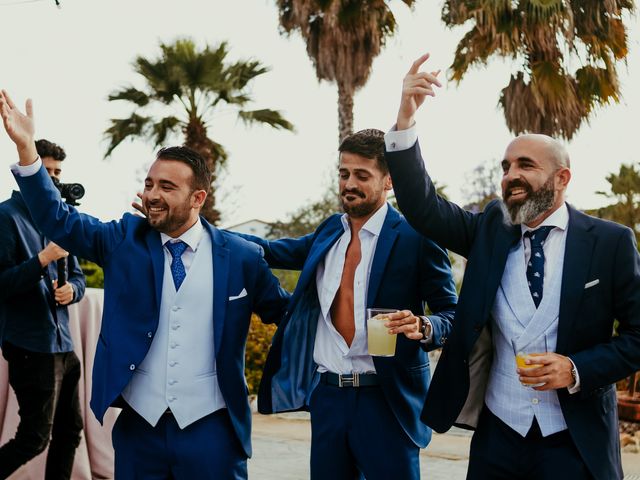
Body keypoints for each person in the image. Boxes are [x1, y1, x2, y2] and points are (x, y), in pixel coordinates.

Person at [0, 90, 289, 480]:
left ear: (198, 197)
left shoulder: (241, 257)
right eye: (150, 183)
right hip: (140, 430)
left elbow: (289, 317)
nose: (152, 195)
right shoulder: (124, 240)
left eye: (167, 187)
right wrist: (27, 152)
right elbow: (58, 220)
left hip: (214, 431)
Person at [383, 54, 640, 480]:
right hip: (498, 434)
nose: (510, 175)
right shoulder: (490, 228)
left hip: (574, 437)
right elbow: (422, 208)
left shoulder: (609, 242)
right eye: (506, 167)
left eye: (525, 165)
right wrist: (405, 117)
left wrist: (576, 369)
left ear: (562, 178)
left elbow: (635, 337)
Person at [237, 128, 457, 480]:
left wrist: (424, 325)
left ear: (389, 181)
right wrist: (198, 227)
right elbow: (269, 249)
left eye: (361, 175)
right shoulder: (329, 232)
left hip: (387, 401)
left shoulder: (416, 237)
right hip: (329, 398)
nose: (349, 184)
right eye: (344, 174)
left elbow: (453, 313)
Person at [0, 138, 86, 479]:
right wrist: (42, 259)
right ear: (26, 172)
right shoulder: (5, 217)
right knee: (34, 438)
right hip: (30, 345)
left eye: (57, 172)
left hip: (65, 344)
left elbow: (78, 276)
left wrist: (72, 291)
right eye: (45, 171)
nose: (52, 179)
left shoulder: (62, 218)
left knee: (70, 432)